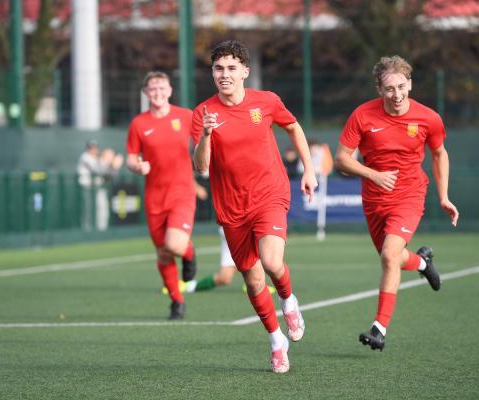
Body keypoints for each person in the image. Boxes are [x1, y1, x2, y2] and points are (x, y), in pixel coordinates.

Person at [192, 40, 318, 373]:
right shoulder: (203, 113)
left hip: (269, 194)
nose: (225, 74)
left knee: (272, 260)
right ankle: (277, 340)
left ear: (245, 72)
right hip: (232, 208)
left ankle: (289, 300)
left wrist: (309, 168)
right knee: (253, 282)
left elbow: (293, 127)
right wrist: (205, 136)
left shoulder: (267, 101)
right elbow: (201, 167)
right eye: (219, 68)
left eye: (232, 68)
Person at [334, 55, 459, 351]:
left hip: (409, 194)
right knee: (393, 257)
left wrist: (443, 196)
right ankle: (422, 261)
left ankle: (379, 328)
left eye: (402, 86)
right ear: (379, 89)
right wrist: (373, 175)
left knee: (390, 256)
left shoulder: (428, 118)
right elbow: (341, 159)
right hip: (374, 199)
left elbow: (439, 153)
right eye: (390, 88)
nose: (397, 94)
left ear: (410, 84)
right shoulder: (362, 116)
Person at [126, 71, 199, 320]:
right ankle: (177, 302)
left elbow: (203, 144)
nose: (157, 92)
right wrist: (137, 165)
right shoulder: (139, 123)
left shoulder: (185, 115)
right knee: (164, 254)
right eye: (152, 89)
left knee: (175, 244)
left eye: (161, 88)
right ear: (146, 93)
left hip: (182, 192)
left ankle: (189, 254)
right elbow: (130, 157)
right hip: (154, 197)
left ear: (169, 90)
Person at [184, 226, 276, 294]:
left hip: (242, 224)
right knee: (226, 277)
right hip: (232, 225)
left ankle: (255, 283)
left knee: (224, 277)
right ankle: (191, 286)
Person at [77, 141, 123, 231]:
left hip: (98, 188)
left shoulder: (97, 158)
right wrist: (109, 161)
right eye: (91, 147)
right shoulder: (85, 157)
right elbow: (98, 170)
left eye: (94, 147)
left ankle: (102, 231)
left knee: (102, 209)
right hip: (87, 188)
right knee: (88, 211)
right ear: (88, 148)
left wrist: (114, 166)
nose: (93, 149)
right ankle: (87, 231)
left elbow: (110, 174)